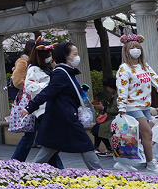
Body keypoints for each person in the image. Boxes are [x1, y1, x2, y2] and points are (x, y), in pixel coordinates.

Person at [24, 42, 103, 170]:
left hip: (61, 116)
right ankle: (101, 174)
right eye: (75, 54)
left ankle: (30, 172)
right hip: (66, 117)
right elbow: (47, 92)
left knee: (50, 147)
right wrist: (29, 107)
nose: (77, 57)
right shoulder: (61, 73)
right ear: (66, 56)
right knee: (86, 144)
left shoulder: (66, 72)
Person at [114, 34, 158, 175]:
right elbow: (122, 89)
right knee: (147, 133)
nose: (136, 50)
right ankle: (151, 164)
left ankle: (123, 161)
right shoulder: (124, 69)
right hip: (131, 106)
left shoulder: (145, 66)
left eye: (138, 47)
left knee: (133, 136)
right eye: (132, 48)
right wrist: (122, 107)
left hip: (144, 106)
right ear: (126, 50)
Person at [10, 40, 63, 168]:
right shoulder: (26, 63)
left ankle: (15, 163)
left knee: (42, 136)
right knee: (35, 136)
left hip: (41, 104)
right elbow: (18, 82)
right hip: (33, 103)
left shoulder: (47, 64)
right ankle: (16, 163)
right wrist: (41, 90)